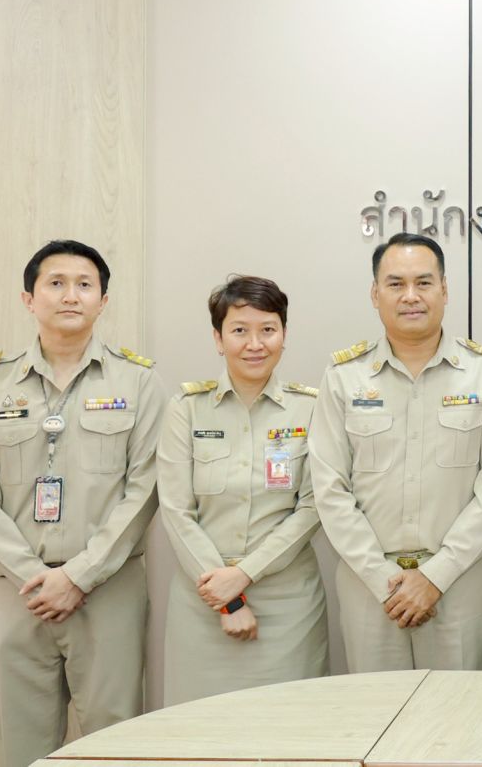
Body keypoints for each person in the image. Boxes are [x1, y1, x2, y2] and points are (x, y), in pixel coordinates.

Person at [0, 239, 166, 767]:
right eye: (56, 283)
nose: (71, 295)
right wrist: (32, 574)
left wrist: (79, 575)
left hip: (108, 591)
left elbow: (145, 488)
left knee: (114, 744)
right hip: (17, 591)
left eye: (84, 285)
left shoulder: (139, 381)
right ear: (29, 298)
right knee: (23, 746)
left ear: (103, 300)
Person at [310, 232, 482, 671]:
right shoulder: (343, 378)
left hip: (459, 584)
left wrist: (434, 577)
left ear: (444, 290)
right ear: (375, 294)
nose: (411, 296)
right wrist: (381, 578)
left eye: (424, 283)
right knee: (376, 709)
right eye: (396, 284)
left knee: (460, 709)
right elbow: (330, 491)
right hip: (370, 588)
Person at [156, 276, 328, 704]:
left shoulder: (311, 408)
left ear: (284, 335)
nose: (255, 344)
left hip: (288, 603)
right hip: (203, 597)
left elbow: (312, 508)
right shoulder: (187, 409)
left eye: (268, 329)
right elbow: (176, 510)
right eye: (239, 330)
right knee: (199, 728)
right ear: (218, 339)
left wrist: (244, 575)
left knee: (289, 723)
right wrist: (227, 599)